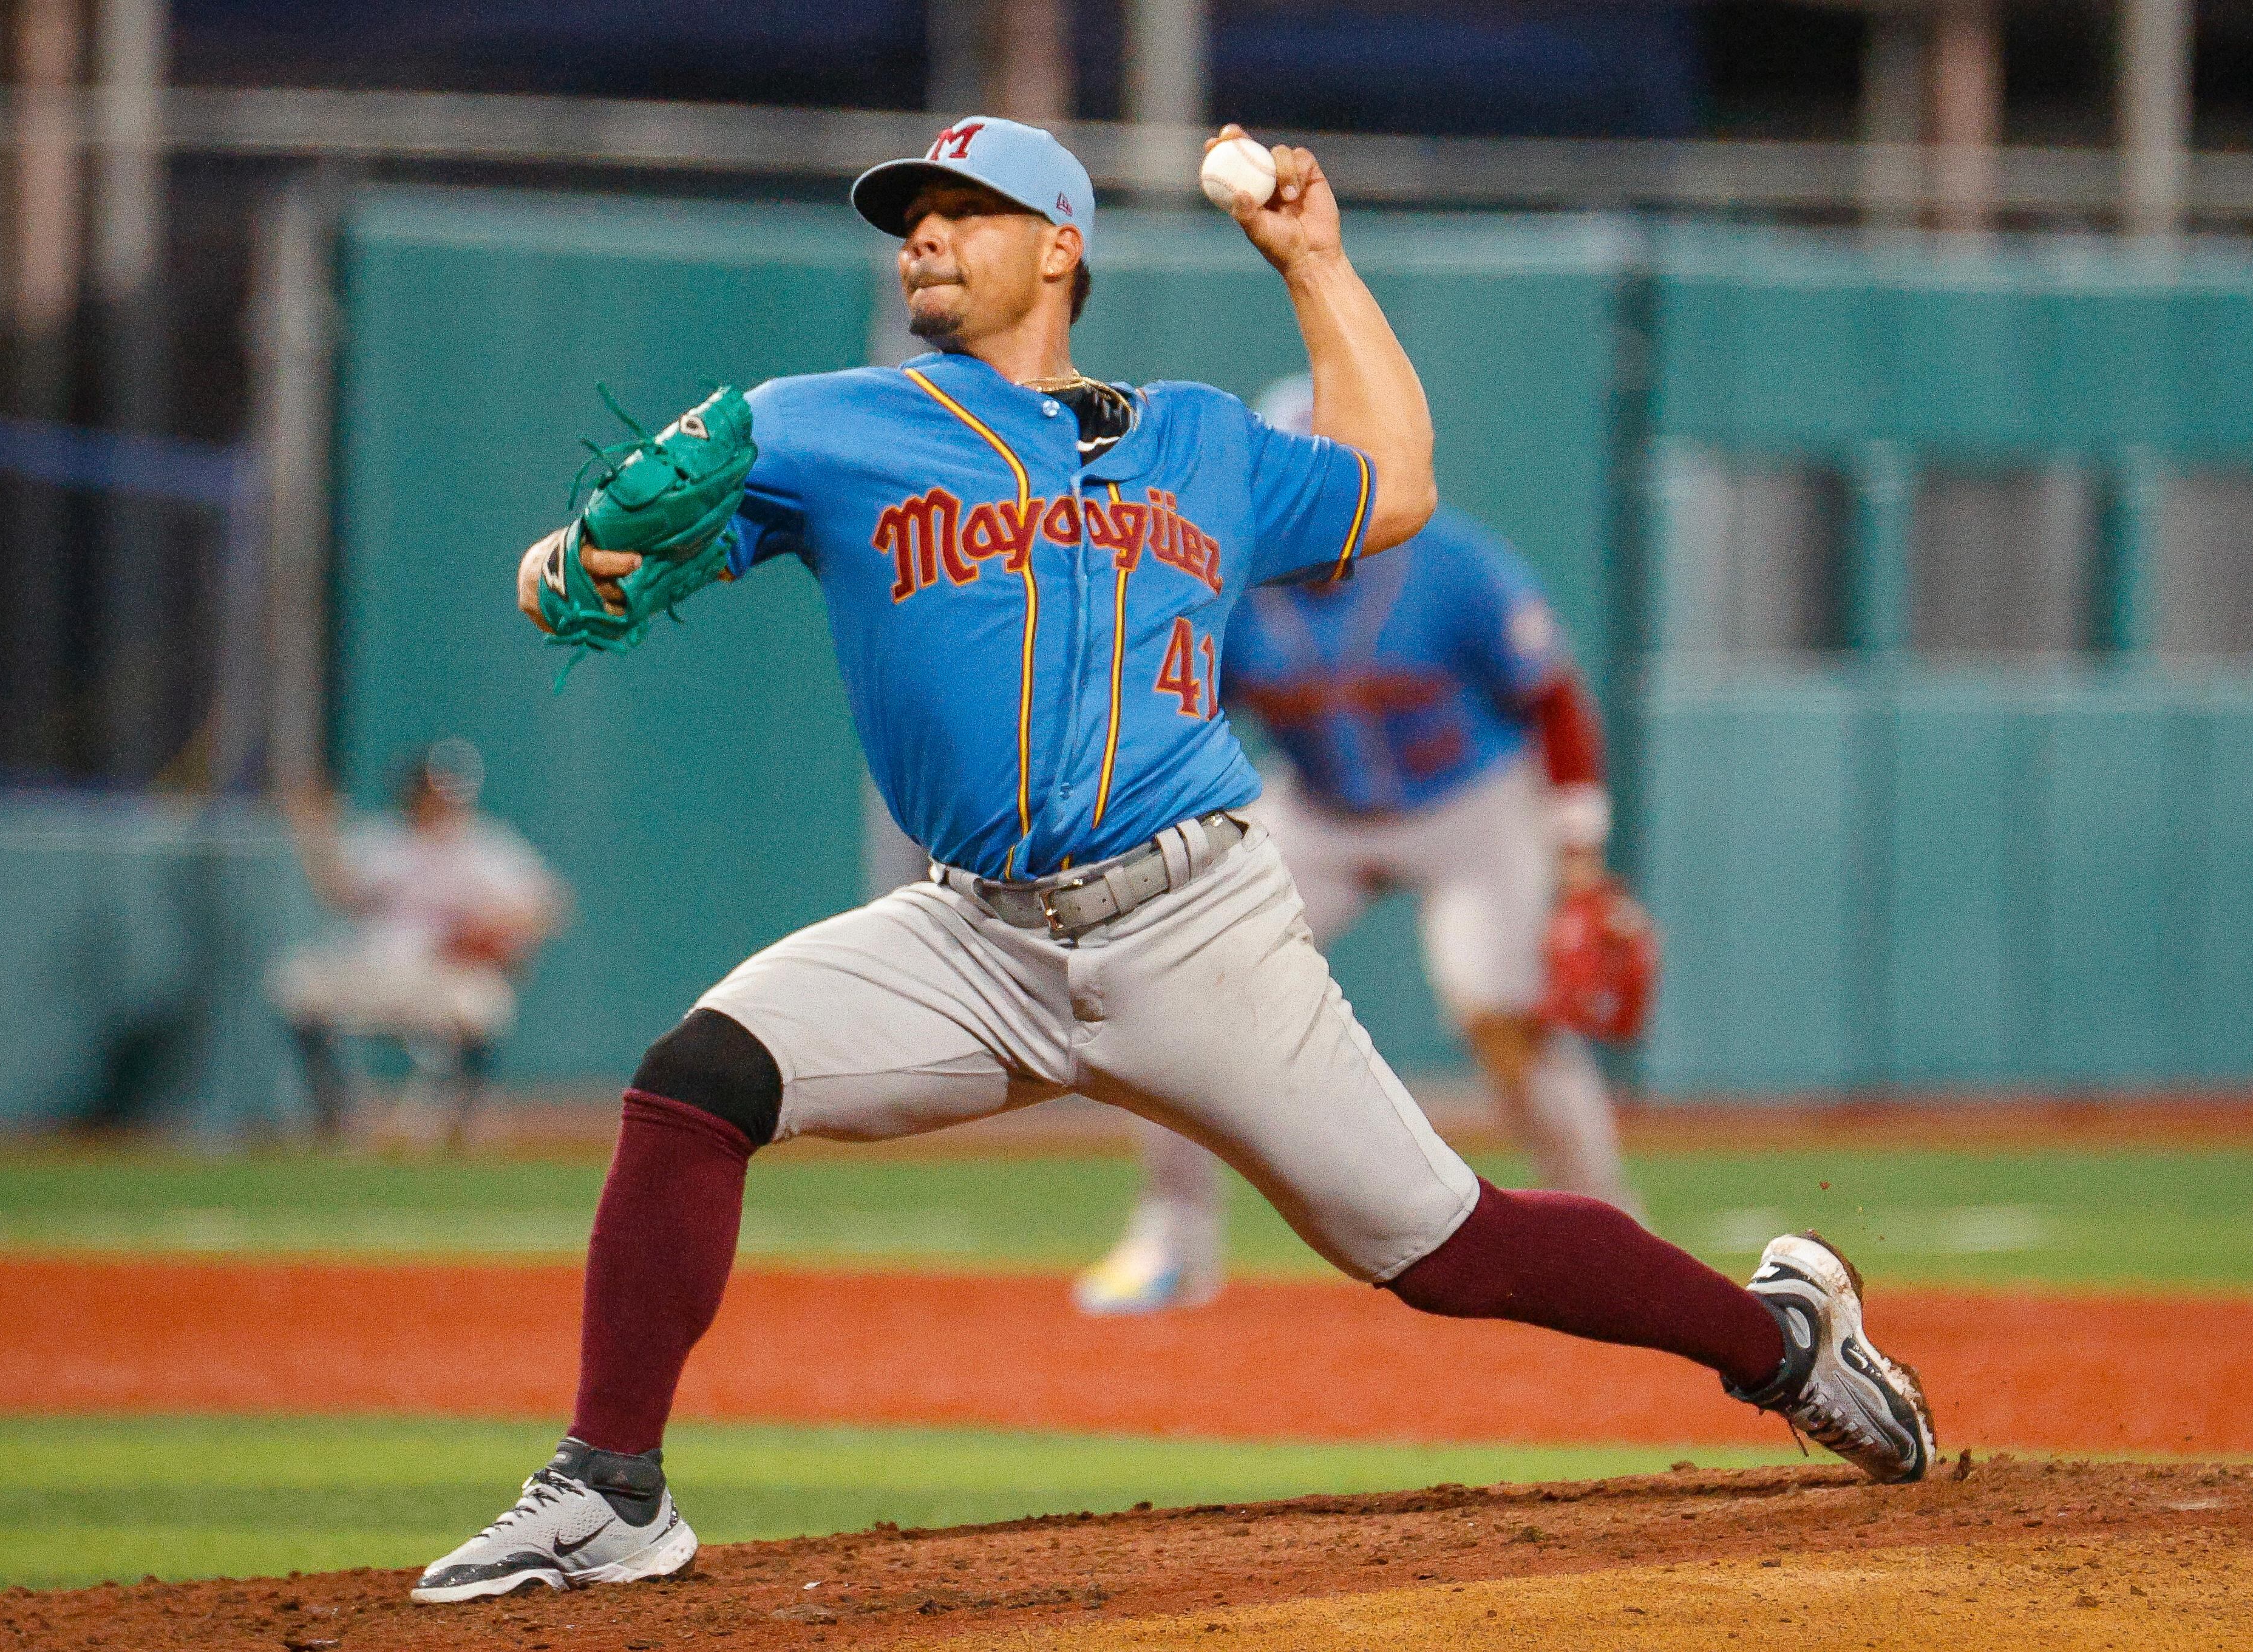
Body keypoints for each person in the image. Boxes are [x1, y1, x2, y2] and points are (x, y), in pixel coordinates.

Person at [413, 116, 1934, 1605]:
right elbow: (567, 579)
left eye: (965, 209)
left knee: (1449, 1248)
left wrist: (1313, 262)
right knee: (697, 1083)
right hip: (972, 938)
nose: (924, 236)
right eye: (910, 217)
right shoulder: (819, 424)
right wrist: (576, 561)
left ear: (1058, 248)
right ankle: (610, 1488)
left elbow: (1395, 481)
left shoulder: (1200, 436)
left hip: (1199, 922)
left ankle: (1785, 1343)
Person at [1073, 374, 1640, 1316]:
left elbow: (1551, 699)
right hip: (1321, 809)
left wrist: (1577, 852)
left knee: (1499, 1011)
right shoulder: (1224, 580)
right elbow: (1181, 721)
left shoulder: (1447, 561)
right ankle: (1174, 1235)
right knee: (1169, 975)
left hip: (1470, 808)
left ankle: (1610, 1236)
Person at [273, 738, 566, 1147]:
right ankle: (336, 1119)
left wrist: (485, 930)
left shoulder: (484, 847)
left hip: (440, 972)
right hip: (374, 969)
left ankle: (460, 1123)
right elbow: (340, 891)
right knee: (298, 987)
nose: (440, 797)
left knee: (483, 1004)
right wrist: (314, 831)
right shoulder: (385, 840)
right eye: (431, 787)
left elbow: (548, 906)